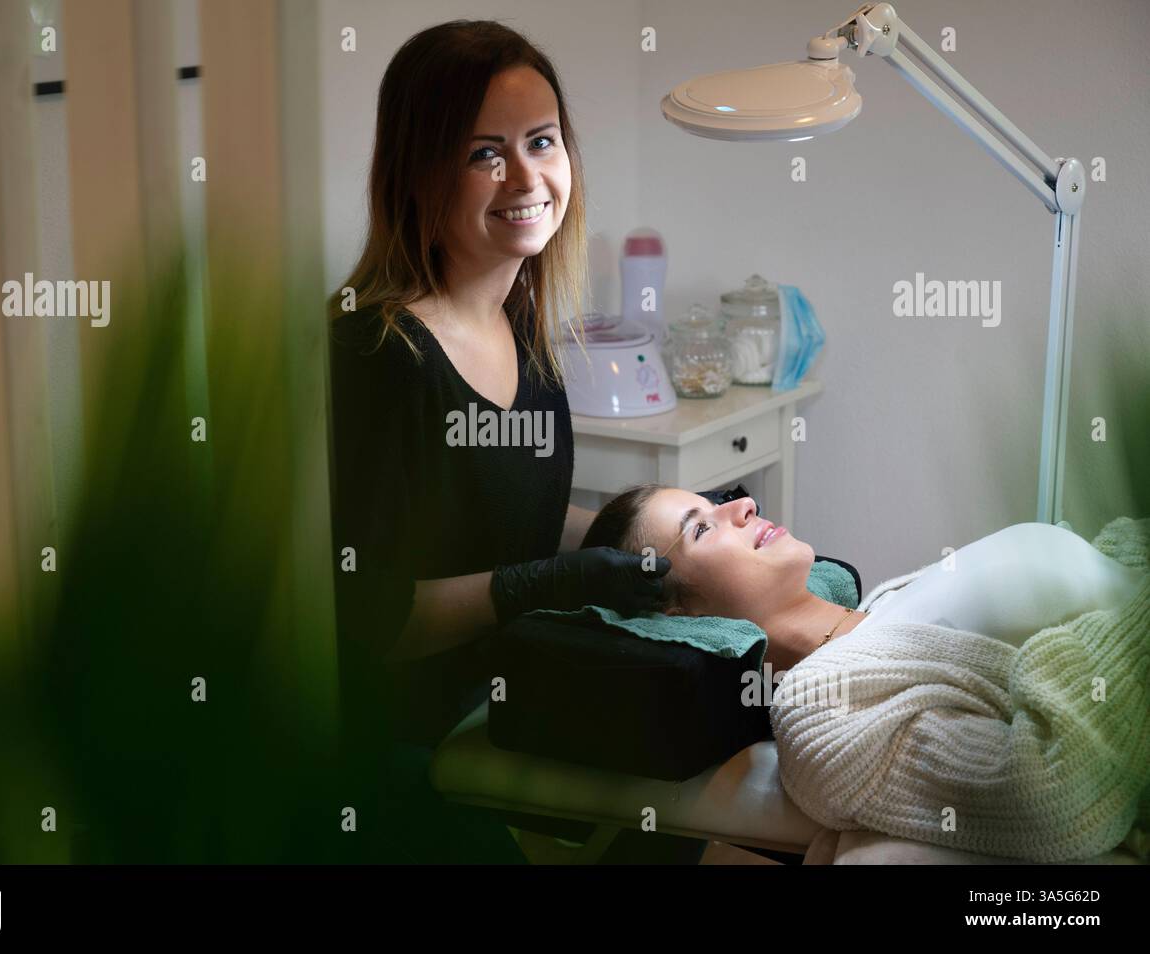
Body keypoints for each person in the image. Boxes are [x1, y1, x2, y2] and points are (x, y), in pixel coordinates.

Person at [327, 20, 669, 863]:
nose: (525, 177)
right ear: (420, 170)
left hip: (501, 711)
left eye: (541, 142)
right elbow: (370, 613)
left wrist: (665, 533)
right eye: (485, 153)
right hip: (400, 761)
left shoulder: (526, 335)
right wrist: (545, 582)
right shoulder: (379, 355)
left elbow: (519, 512)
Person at [581, 482, 1148, 672]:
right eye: (700, 529)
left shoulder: (884, 607)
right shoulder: (847, 690)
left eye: (718, 502)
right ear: (679, 616)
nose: (746, 504)